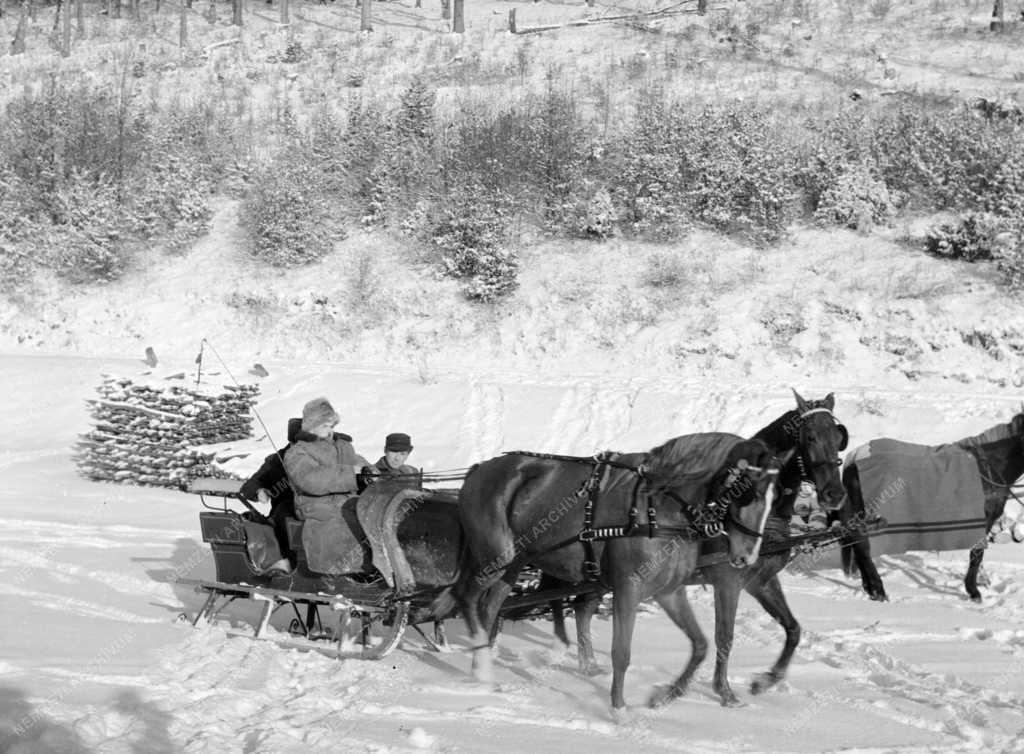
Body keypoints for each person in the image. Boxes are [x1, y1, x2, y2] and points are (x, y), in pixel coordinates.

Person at [283, 397, 370, 574]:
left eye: (331, 426)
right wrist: (352, 475)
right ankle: (343, 572)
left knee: (373, 516)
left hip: (348, 501)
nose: (330, 431)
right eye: (325, 425)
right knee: (340, 521)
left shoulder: (343, 446)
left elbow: (359, 464)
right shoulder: (297, 452)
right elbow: (311, 479)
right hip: (315, 504)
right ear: (311, 426)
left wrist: (370, 473)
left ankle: (373, 568)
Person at [239, 417, 301, 574]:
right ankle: (288, 565)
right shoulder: (277, 461)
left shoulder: (320, 457)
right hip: (285, 515)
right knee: (287, 514)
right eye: (297, 443)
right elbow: (250, 485)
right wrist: (259, 491)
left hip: (314, 509)